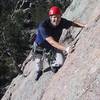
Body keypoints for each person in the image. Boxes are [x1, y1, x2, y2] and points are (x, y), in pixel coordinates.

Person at [33, 6, 85, 81]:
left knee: (60, 62)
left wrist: (84, 26)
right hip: (40, 46)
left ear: (60, 17)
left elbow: (72, 23)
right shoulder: (43, 26)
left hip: (52, 46)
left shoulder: (62, 22)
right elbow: (51, 42)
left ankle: (53, 65)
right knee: (38, 62)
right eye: (54, 17)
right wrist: (66, 49)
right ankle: (39, 71)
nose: (56, 19)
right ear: (50, 17)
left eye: (58, 17)